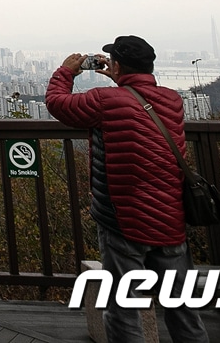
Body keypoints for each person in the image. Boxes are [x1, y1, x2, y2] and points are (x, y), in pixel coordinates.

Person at [46, 35, 209, 343]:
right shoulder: (172, 99)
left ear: (117, 64)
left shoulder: (105, 100)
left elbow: (57, 104)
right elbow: (140, 101)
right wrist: (122, 79)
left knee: (123, 308)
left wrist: (66, 72)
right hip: (170, 217)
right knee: (182, 305)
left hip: (124, 220)